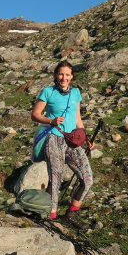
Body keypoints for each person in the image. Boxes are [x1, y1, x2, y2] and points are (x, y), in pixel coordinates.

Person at [31, 60, 94, 226]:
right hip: (54, 138)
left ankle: (71, 213)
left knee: (87, 179)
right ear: (55, 75)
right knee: (56, 178)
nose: (64, 78)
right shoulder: (48, 92)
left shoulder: (76, 93)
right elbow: (35, 114)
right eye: (60, 74)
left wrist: (86, 138)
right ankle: (50, 216)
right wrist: (51, 120)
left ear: (72, 76)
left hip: (73, 139)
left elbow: (77, 118)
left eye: (67, 74)